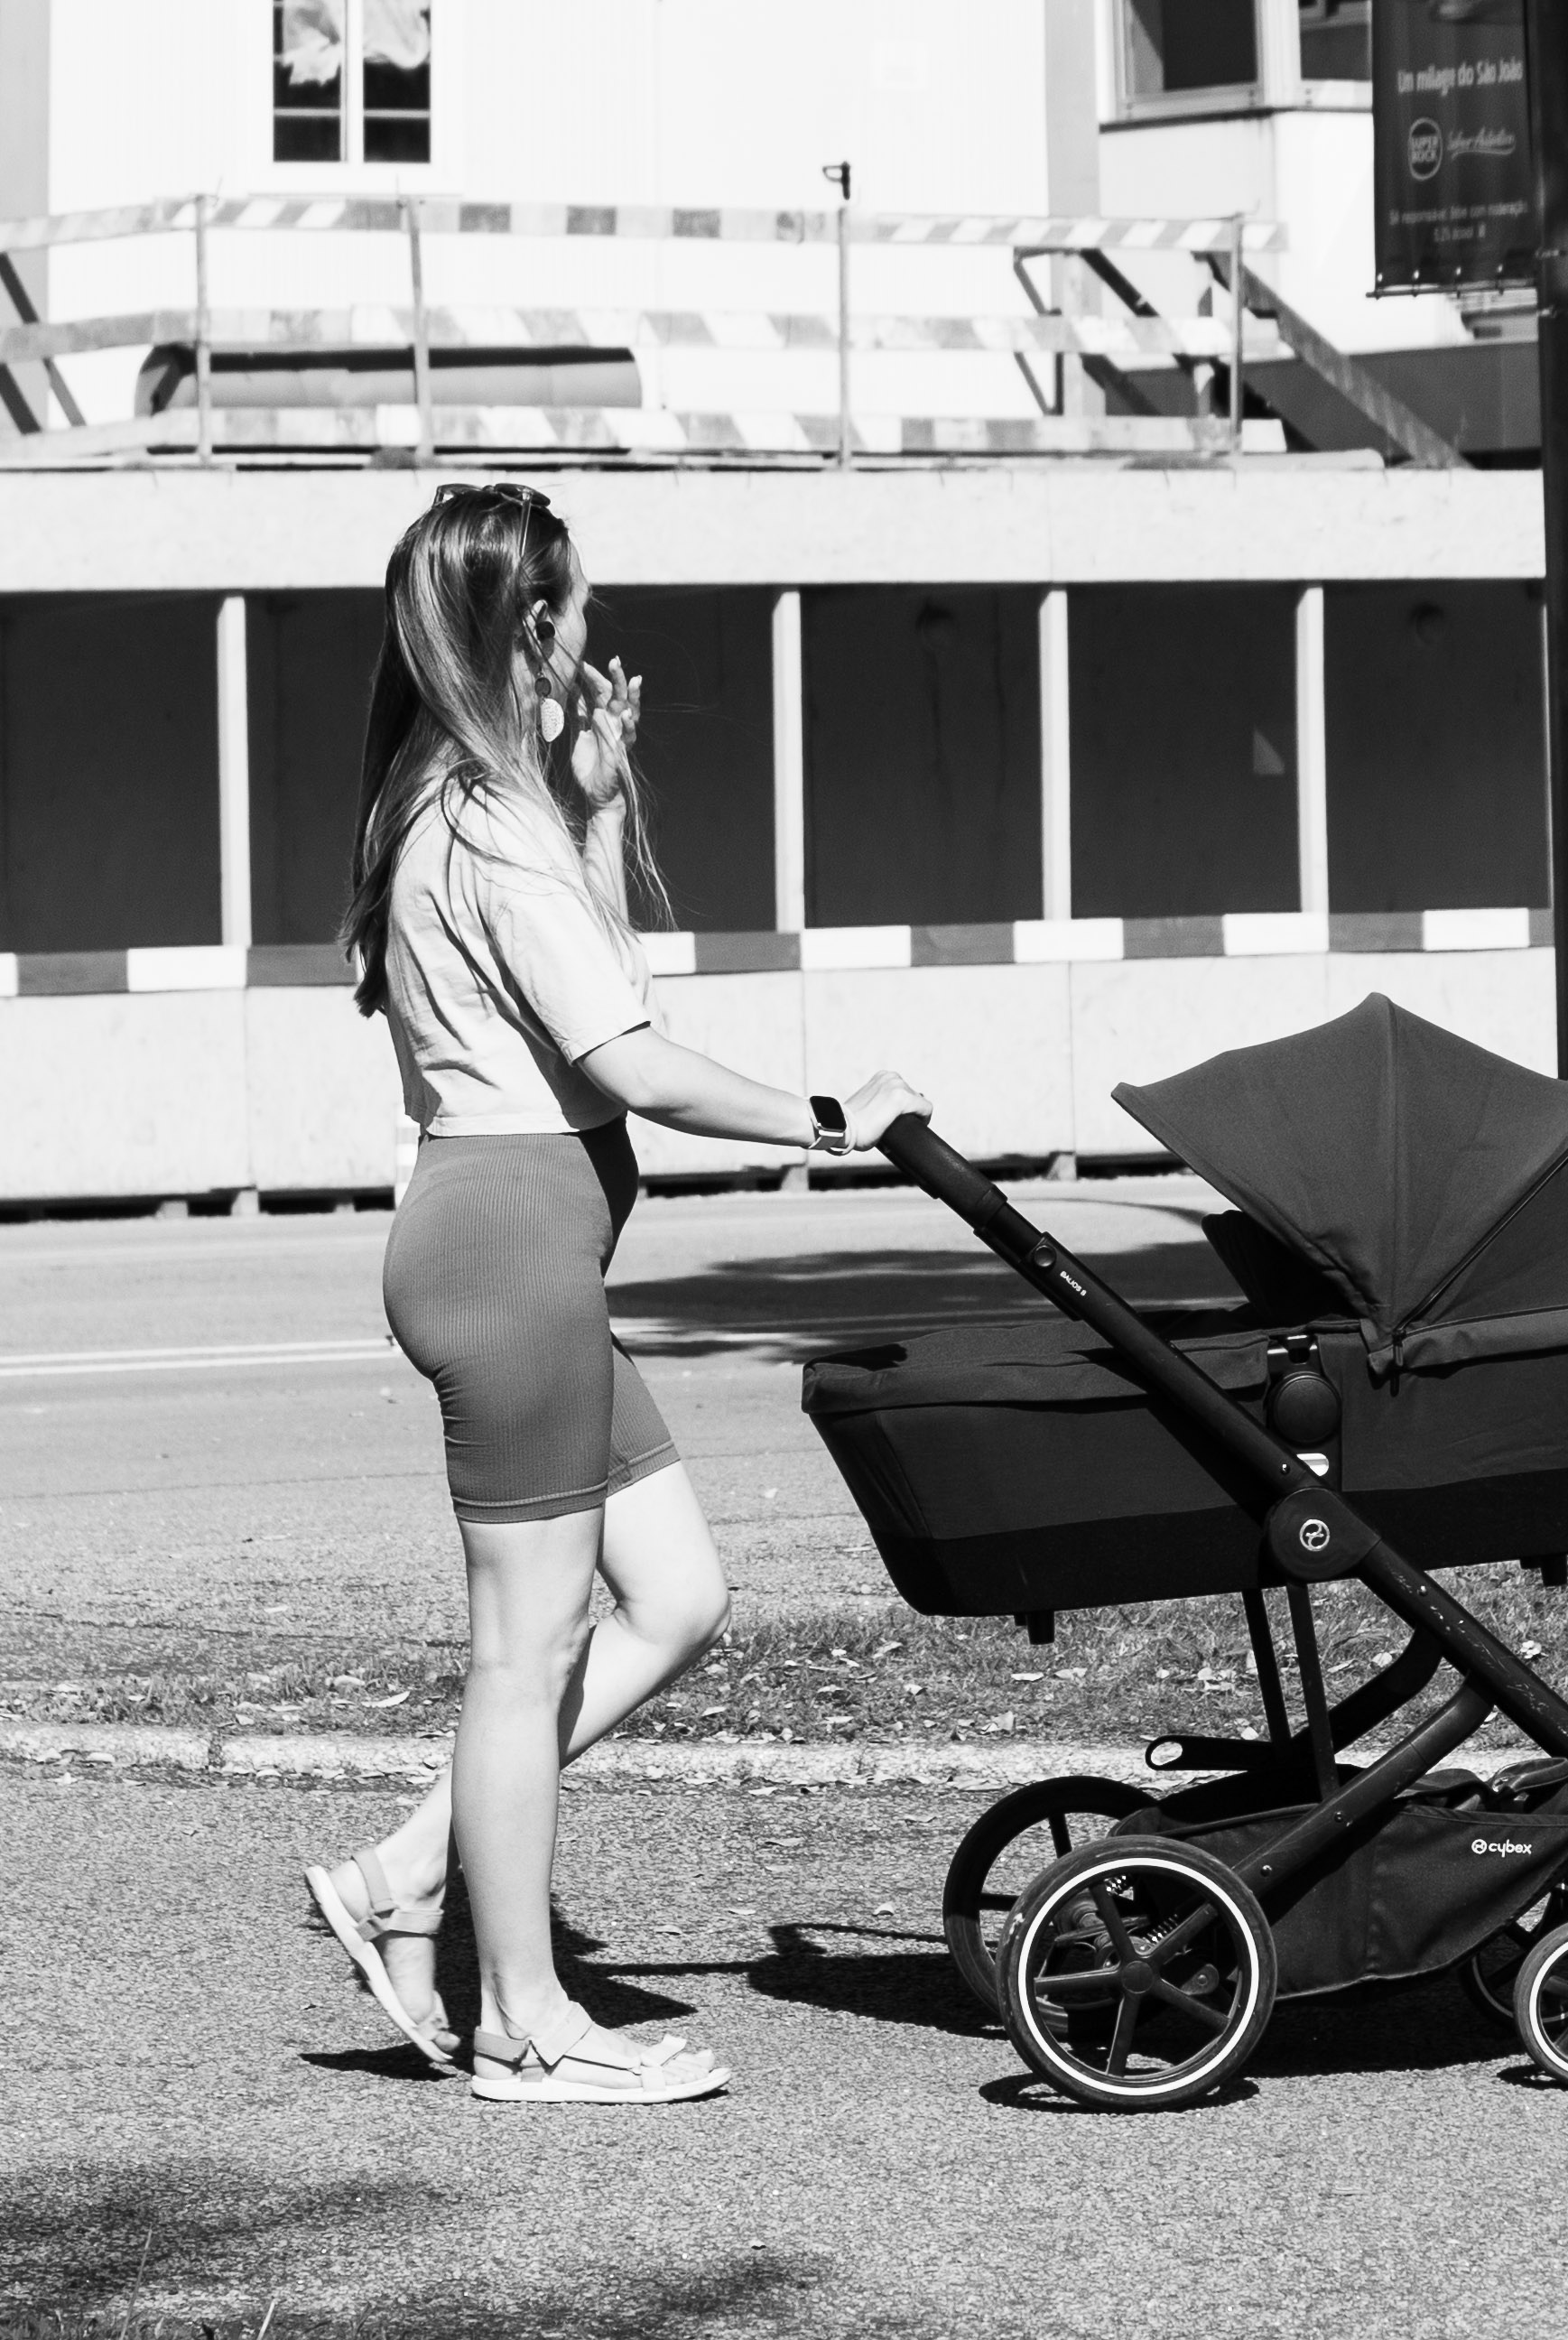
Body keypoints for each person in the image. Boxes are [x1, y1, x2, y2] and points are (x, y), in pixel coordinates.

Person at [303, 482, 929, 2105]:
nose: (594, 629)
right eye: (577, 604)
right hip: (509, 1259)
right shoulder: (480, 820)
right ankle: (520, 2024)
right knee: (522, 1656)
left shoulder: (461, 803)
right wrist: (830, 1118)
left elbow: (579, 995)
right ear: (534, 625)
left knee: (677, 1597)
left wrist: (590, 806)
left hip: (523, 1254)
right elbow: (628, 1059)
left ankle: (402, 1877)